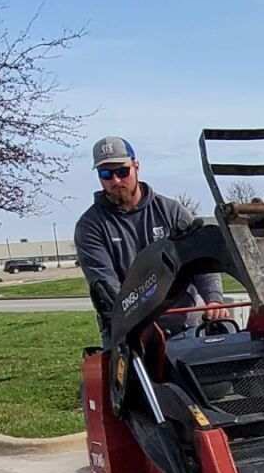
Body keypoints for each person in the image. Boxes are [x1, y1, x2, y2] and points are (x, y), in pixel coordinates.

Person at [74, 136, 227, 340]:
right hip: (129, 332)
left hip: (183, 327)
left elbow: (202, 260)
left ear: (136, 166)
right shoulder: (90, 226)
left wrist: (214, 300)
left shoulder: (172, 212)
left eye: (122, 171)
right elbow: (105, 284)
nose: (116, 181)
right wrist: (132, 323)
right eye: (106, 174)